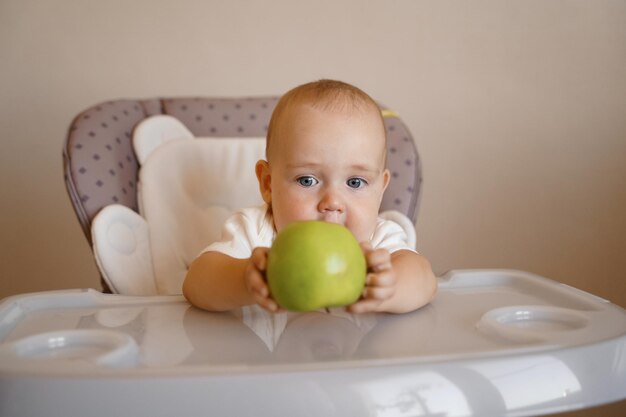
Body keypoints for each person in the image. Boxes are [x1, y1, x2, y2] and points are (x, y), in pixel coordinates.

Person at [183, 79, 437, 314]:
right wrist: (244, 279)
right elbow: (197, 282)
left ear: (380, 190)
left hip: (355, 362)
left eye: (355, 182)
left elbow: (425, 279)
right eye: (307, 180)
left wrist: (390, 287)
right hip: (269, 362)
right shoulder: (254, 233)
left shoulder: (379, 243)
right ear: (268, 184)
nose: (332, 203)